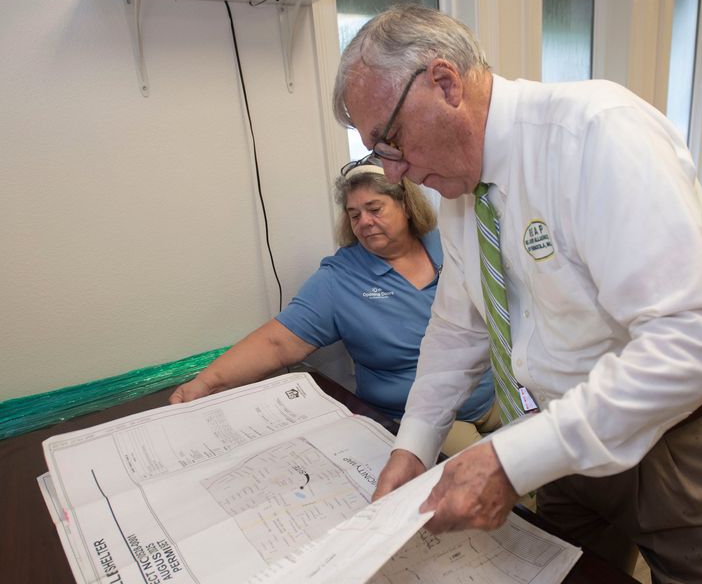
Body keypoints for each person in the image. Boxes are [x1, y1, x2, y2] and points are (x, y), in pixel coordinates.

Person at [332, 3, 702, 584]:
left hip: (696, 438)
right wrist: (412, 449)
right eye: (377, 153)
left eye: (391, 141)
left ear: (446, 84)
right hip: (566, 437)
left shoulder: (598, 134)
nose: (393, 171)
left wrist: (512, 459)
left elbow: (698, 335)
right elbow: (458, 332)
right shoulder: (462, 191)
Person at [171, 162, 498, 457]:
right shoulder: (340, 278)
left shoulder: (447, 244)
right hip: (426, 417)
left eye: (374, 209)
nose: (364, 222)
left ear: (406, 206)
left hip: (493, 391)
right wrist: (207, 382)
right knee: (509, 484)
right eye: (354, 215)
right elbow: (277, 343)